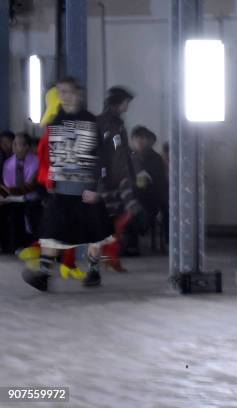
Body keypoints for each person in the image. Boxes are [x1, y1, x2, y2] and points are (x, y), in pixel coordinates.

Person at [21, 77, 114, 291]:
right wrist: (51, 179)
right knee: (51, 230)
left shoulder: (92, 122)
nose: (65, 96)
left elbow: (102, 156)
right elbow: (53, 155)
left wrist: (96, 188)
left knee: (95, 231)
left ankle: (93, 271)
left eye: (68, 92)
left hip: (86, 188)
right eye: (61, 92)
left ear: (78, 94)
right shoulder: (55, 122)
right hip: (62, 188)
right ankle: (43, 275)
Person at [97, 86, 140, 270]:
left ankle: (111, 255)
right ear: (117, 103)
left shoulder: (117, 123)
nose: (127, 106)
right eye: (126, 103)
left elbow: (121, 151)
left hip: (119, 174)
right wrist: (104, 173)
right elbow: (104, 151)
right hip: (110, 176)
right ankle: (110, 255)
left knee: (124, 213)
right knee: (115, 215)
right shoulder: (106, 123)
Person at [123, 126, 169, 254]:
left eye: (144, 138)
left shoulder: (156, 159)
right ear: (132, 140)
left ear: (150, 141)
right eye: (137, 138)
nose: (140, 141)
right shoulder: (128, 157)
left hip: (150, 198)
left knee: (137, 210)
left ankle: (131, 244)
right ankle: (126, 244)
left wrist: (148, 182)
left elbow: (161, 184)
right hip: (130, 196)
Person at [0, 133, 42, 252]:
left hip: (32, 198)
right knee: (11, 214)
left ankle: (34, 246)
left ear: (26, 147)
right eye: (13, 144)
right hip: (13, 199)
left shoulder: (36, 161)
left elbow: (30, 186)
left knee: (34, 213)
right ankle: (13, 247)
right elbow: (7, 185)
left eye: (17, 144)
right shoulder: (8, 163)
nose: (13, 147)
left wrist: (7, 192)